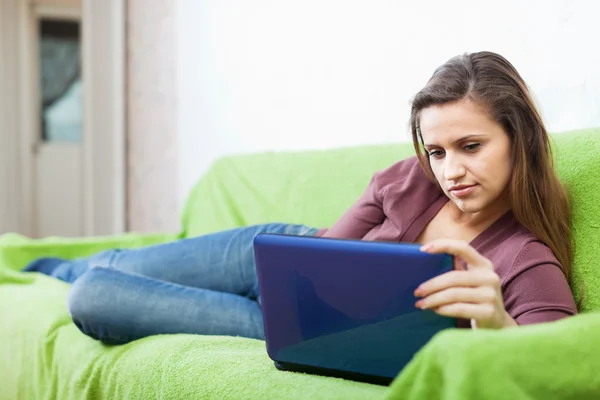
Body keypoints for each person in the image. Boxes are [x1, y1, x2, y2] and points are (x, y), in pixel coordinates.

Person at [24, 51, 577, 344]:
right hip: (278, 254)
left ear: (519, 136)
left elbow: (548, 366)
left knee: (95, 295)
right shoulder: (411, 179)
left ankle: (68, 273)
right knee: (107, 265)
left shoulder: (526, 262)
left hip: (294, 325)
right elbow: (325, 251)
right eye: (436, 151)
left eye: (471, 146)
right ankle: (47, 265)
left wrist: (499, 325)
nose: (449, 171)